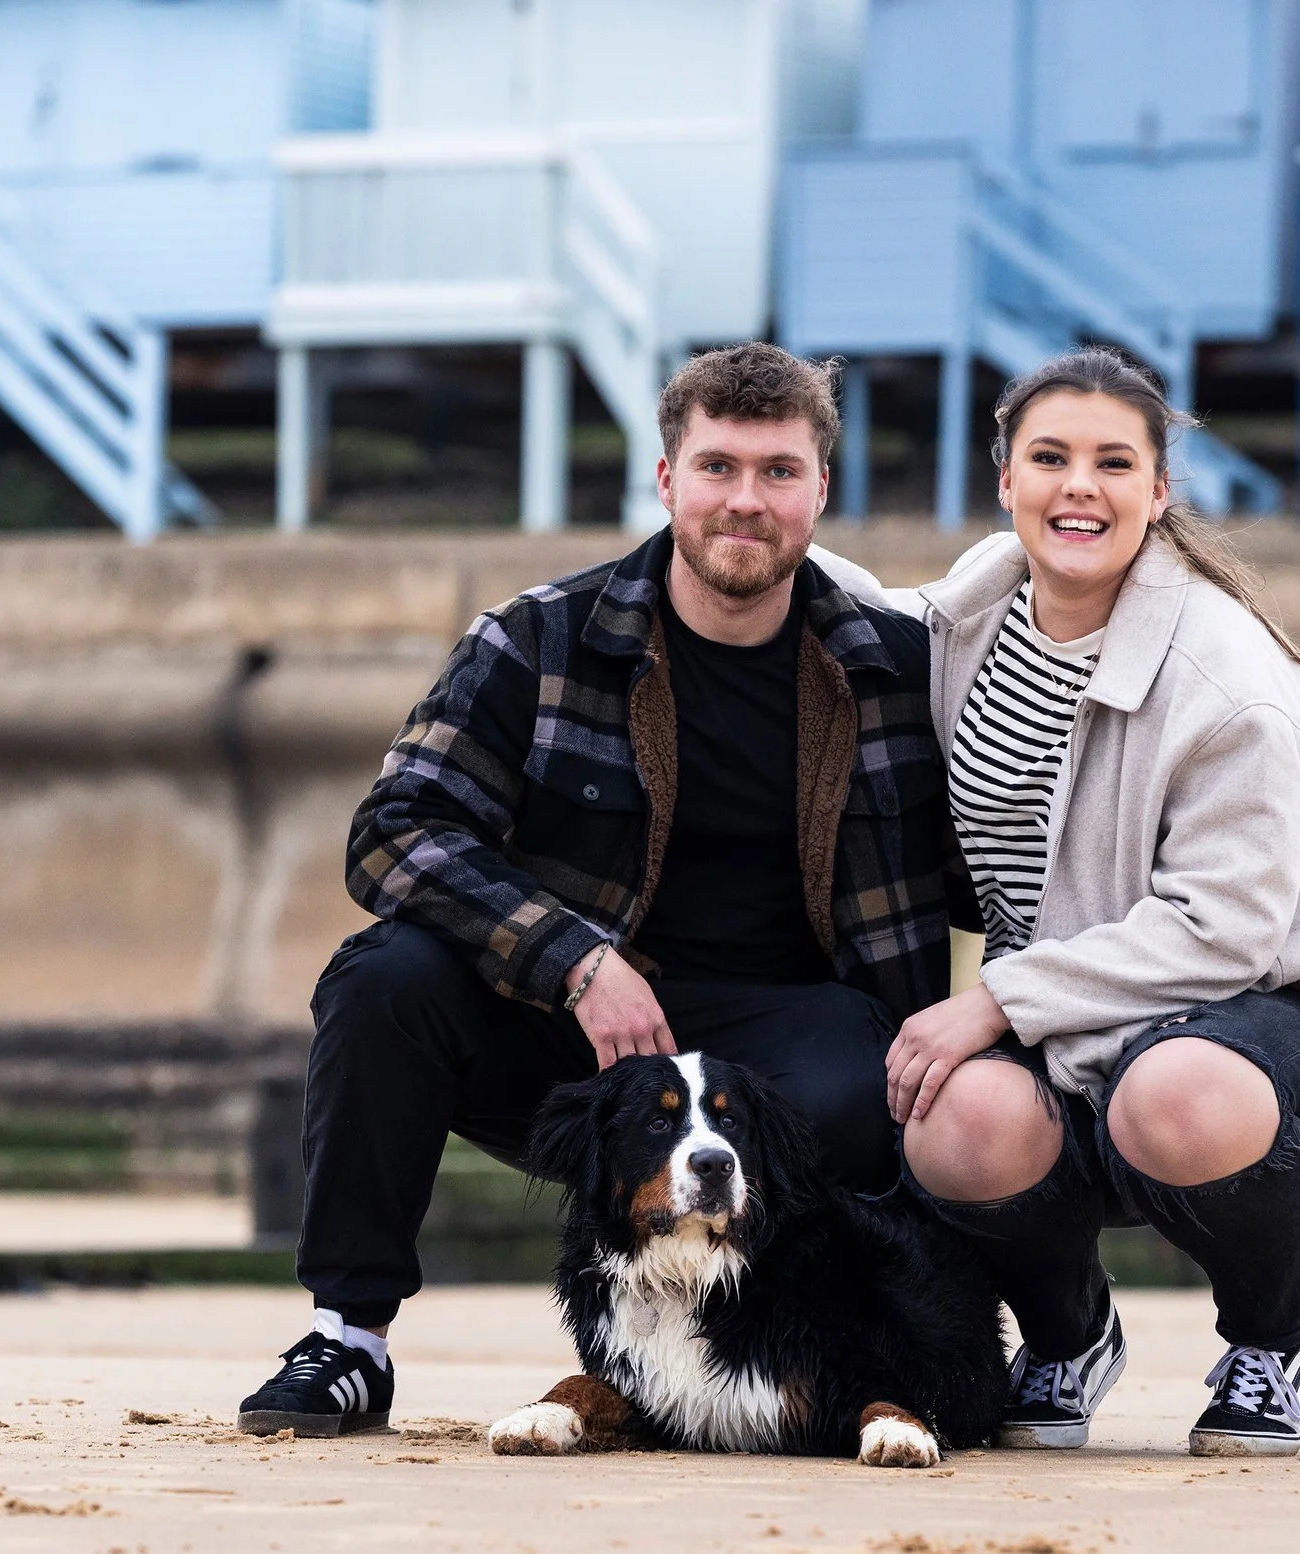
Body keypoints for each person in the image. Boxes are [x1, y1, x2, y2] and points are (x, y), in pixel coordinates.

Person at [238, 343, 958, 1438]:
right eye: (717, 468)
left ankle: (795, 1359)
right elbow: (392, 834)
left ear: (820, 490)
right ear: (666, 482)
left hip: (782, 1041)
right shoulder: (539, 641)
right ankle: (351, 1335)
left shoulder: (898, 669)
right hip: (577, 1032)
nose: (745, 502)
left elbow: (1010, 858)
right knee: (385, 979)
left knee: (869, 1085)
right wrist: (573, 960)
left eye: (777, 472)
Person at [889, 348, 1300, 1458]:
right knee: (952, 1116)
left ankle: (1272, 1336)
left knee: (1173, 1087)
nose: (1081, 486)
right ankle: (1067, 1339)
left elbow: (1224, 930)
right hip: (1071, 1031)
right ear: (1005, 476)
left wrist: (993, 1002)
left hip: (1270, 1038)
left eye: (1115, 463)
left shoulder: (1231, 686)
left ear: (1158, 493)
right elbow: (842, 606)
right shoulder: (976, 613)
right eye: (1050, 458)